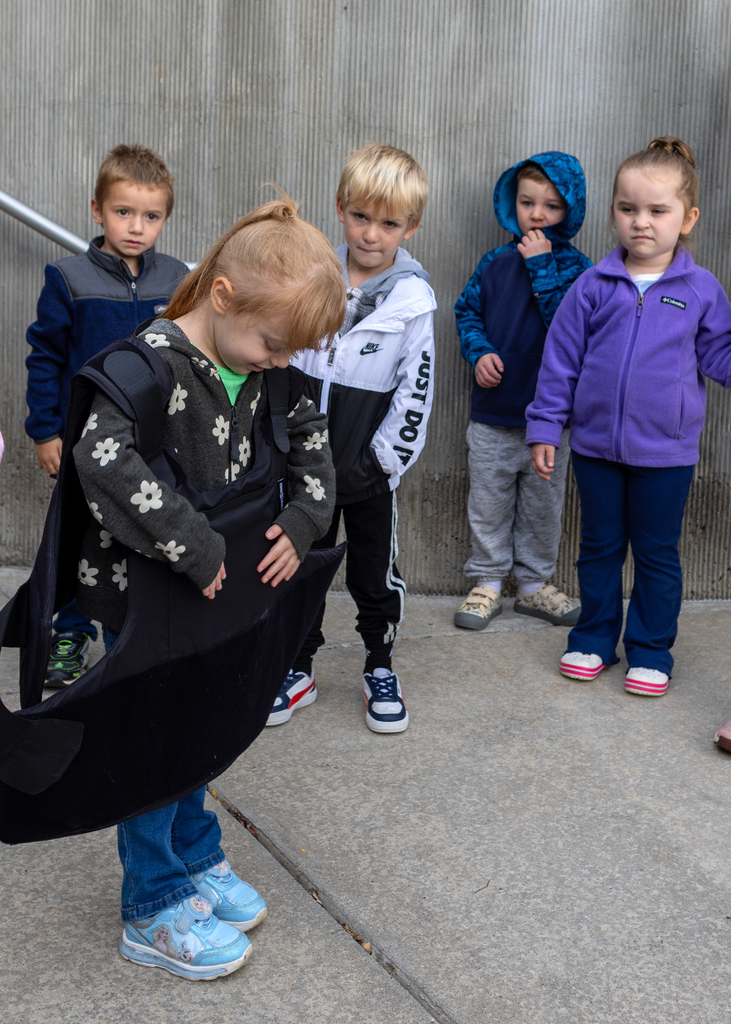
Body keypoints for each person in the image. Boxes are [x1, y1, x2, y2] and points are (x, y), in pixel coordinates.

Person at [71, 194, 344, 978]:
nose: (279, 362)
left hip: (215, 598)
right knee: (153, 741)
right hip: (143, 597)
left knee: (200, 726)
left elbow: (310, 438)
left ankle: (193, 854)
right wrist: (191, 542)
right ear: (222, 296)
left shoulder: (264, 363)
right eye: (272, 344)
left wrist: (304, 519)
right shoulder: (148, 364)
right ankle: (151, 903)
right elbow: (99, 457)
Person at [526, 137, 731, 697]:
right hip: (595, 449)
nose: (641, 222)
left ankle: (650, 650)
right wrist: (545, 427)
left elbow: (720, 356)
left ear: (687, 218)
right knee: (598, 549)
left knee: (656, 554)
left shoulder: (701, 290)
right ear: (614, 211)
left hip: (666, 454)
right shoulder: (591, 286)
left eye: (657, 211)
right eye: (628, 208)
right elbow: (560, 362)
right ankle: (594, 639)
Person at [266, 142, 435, 734]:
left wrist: (380, 464)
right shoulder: (313, 276)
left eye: (388, 224)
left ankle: (379, 665)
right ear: (340, 208)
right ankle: (298, 666)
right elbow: (280, 357)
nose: (371, 234)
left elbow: (416, 394)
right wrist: (281, 446)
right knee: (301, 566)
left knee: (373, 574)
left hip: (366, 475)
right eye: (361, 217)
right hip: (302, 470)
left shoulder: (414, 303)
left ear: (410, 226)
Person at [25, 144, 187, 686]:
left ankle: (133, 634)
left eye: (151, 216)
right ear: (97, 210)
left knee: (138, 534)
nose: (136, 227)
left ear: (165, 218)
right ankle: (70, 632)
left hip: (152, 442)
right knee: (80, 537)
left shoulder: (176, 279)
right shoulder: (68, 278)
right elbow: (45, 358)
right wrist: (45, 431)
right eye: (123, 212)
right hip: (82, 441)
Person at [453, 152, 591, 632]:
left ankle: (534, 586)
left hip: (550, 423)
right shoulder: (494, 263)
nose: (537, 215)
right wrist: (479, 352)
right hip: (492, 415)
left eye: (551, 206)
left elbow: (571, 330)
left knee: (542, 509)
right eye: (528, 202)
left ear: (570, 211)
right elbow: (467, 313)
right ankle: (487, 582)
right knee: (487, 504)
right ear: (512, 203)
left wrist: (542, 267)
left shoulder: (581, 271)